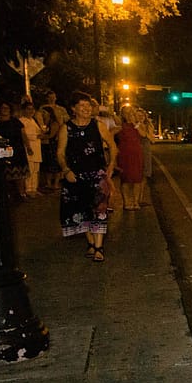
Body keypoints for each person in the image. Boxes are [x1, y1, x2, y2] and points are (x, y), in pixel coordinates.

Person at [57, 91, 117, 263]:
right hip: (75, 175)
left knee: (99, 209)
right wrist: (66, 169)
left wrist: (111, 165)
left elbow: (112, 146)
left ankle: (99, 247)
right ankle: (90, 242)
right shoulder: (66, 128)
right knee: (81, 210)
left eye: (88, 105)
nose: (86, 109)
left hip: (97, 173)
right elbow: (60, 152)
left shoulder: (98, 126)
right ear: (73, 109)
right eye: (81, 106)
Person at [0, 100, 29, 202]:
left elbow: (23, 134)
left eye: (7, 108)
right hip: (3, 150)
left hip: (17, 149)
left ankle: (22, 193)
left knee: (19, 173)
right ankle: (7, 194)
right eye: (3, 108)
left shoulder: (15, 121)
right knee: (5, 173)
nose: (5, 110)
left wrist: (28, 146)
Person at [115, 105, 144, 210]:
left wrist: (135, 123)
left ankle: (136, 202)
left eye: (130, 113)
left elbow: (143, 134)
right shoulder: (119, 125)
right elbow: (109, 134)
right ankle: (126, 202)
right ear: (122, 114)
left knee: (137, 179)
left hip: (136, 154)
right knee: (125, 179)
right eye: (126, 113)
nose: (128, 115)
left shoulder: (138, 125)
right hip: (124, 154)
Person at [37, 101, 62, 193]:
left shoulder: (54, 123)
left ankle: (55, 183)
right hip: (47, 146)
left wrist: (42, 136)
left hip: (53, 146)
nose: (43, 114)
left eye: (44, 113)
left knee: (55, 165)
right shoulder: (45, 123)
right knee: (47, 166)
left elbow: (52, 135)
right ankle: (48, 183)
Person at [19, 100, 43, 197]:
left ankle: (34, 188)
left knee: (35, 169)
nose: (31, 111)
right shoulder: (22, 121)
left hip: (37, 147)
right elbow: (24, 135)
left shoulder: (33, 120)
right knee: (30, 168)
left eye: (32, 109)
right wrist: (35, 137)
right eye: (28, 109)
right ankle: (28, 189)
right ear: (24, 110)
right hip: (29, 146)